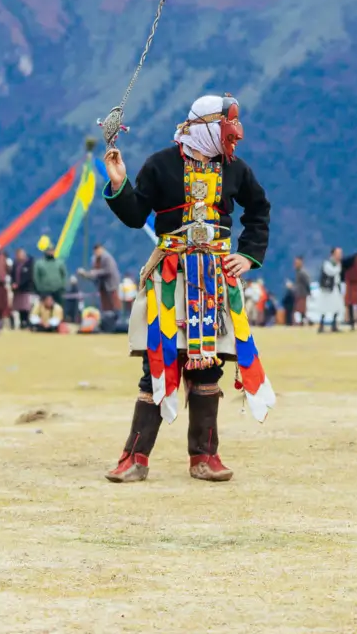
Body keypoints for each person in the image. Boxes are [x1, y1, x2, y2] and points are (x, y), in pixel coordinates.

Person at [99, 93, 273, 484]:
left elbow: (259, 209)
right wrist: (118, 182)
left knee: (208, 367)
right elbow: (133, 215)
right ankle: (135, 458)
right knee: (158, 365)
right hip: (171, 280)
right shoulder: (160, 165)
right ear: (207, 126)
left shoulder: (236, 170)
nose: (236, 138)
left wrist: (248, 255)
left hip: (214, 279)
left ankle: (205, 458)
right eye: (229, 129)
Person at [311, 249, 345, 333]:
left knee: (337, 307)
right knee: (324, 308)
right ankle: (321, 325)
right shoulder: (328, 263)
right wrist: (338, 266)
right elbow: (331, 272)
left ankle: (334, 325)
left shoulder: (337, 264)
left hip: (335, 288)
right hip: (327, 289)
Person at [91, 242, 122, 319]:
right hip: (102, 284)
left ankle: (117, 316)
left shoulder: (107, 257)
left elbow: (109, 270)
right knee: (105, 302)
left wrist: (95, 272)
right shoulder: (94, 259)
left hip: (111, 283)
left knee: (114, 300)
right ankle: (107, 317)